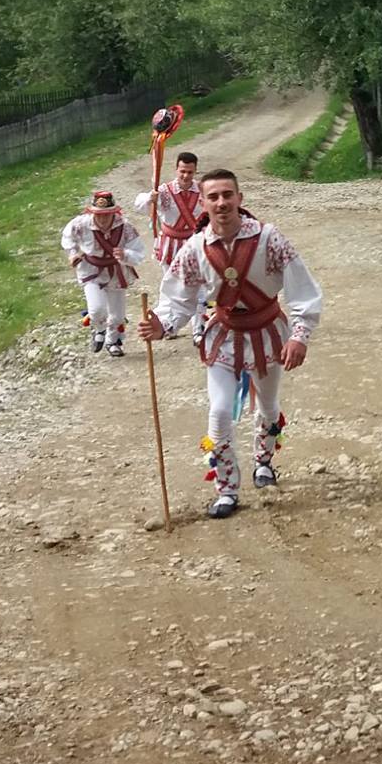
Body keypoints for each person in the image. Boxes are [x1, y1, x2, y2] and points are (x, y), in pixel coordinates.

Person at [140, 168, 322, 519]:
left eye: (227, 195)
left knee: (268, 407)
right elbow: (178, 297)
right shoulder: (195, 249)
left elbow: (303, 288)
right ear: (203, 204)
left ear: (240, 198)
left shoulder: (270, 239)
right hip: (223, 338)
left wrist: (300, 335)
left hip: (268, 336)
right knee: (220, 411)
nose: (221, 202)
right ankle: (226, 488)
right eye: (213, 197)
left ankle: (264, 462)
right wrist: (161, 324)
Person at [60, 188, 146, 357]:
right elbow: (67, 238)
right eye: (98, 214)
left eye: (106, 214)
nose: (102, 218)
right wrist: (73, 254)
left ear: (114, 212)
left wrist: (125, 255)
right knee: (97, 308)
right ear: (91, 212)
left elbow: (139, 252)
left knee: (118, 315)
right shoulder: (80, 224)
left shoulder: (125, 227)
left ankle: (113, 341)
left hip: (116, 271)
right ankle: (99, 329)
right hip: (91, 270)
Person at [136, 150, 205, 269]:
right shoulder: (164, 190)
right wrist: (150, 198)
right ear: (176, 170)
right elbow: (139, 206)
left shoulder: (202, 189)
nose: (186, 176)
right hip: (170, 244)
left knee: (196, 281)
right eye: (182, 171)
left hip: (194, 242)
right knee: (170, 282)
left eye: (190, 172)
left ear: (195, 171)